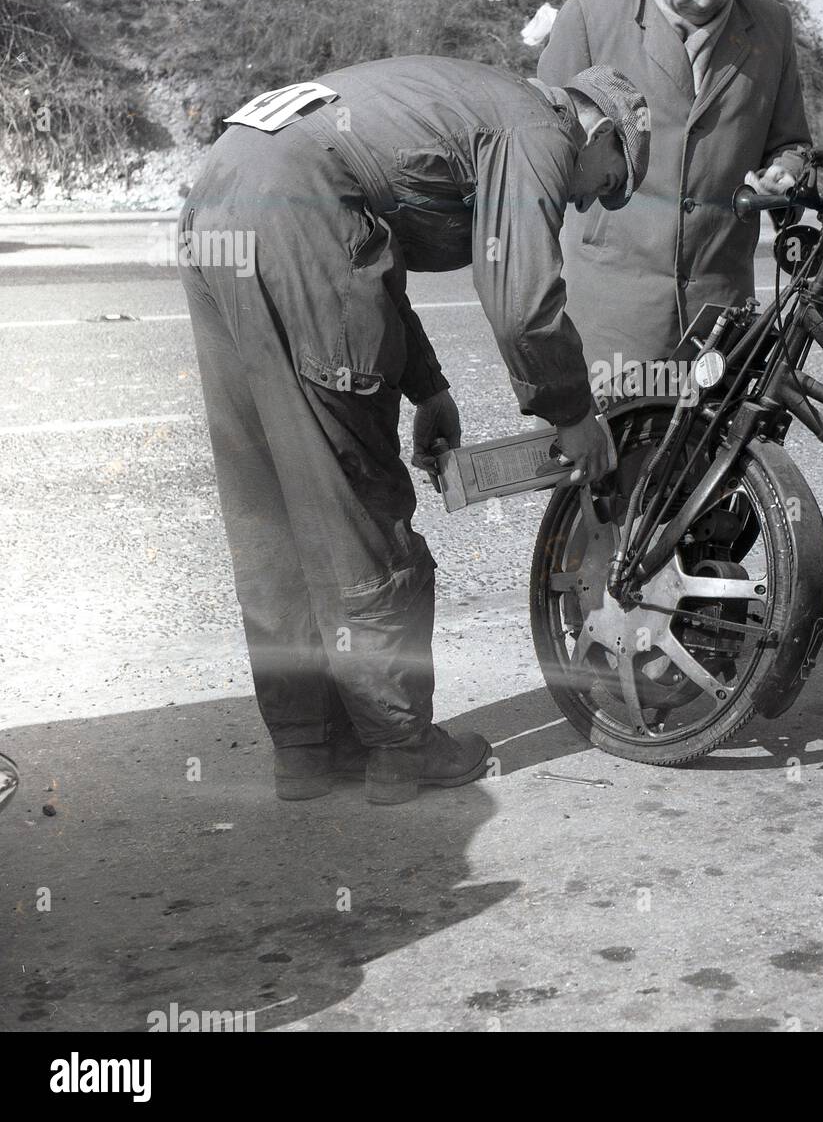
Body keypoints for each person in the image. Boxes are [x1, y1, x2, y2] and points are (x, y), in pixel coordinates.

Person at [179, 58, 648, 805]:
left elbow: (368, 235)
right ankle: (398, 747)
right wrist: (573, 413)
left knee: (270, 494)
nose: (588, 200)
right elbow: (524, 305)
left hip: (219, 199)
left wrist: (426, 386)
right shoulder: (539, 128)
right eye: (603, 184)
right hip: (297, 222)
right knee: (353, 506)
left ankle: (308, 745)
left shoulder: (457, 102)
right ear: (602, 132)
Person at [537, 0, 811, 395]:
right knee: (612, 461)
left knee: (713, 465)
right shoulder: (589, 20)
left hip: (718, 300)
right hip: (614, 299)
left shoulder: (771, 25)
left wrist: (786, 171)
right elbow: (541, 159)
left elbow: (792, 141)